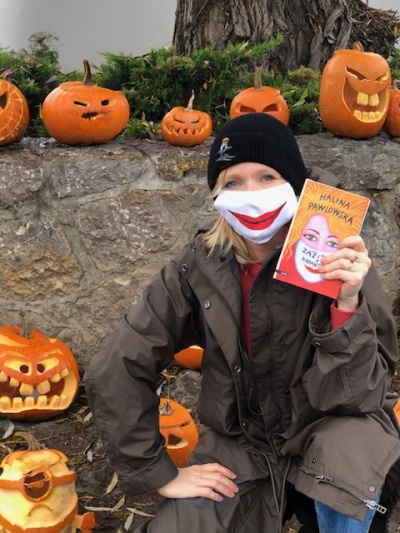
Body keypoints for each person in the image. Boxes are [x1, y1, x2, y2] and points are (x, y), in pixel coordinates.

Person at [84, 113, 400, 533]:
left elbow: (361, 396)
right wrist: (157, 472)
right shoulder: (198, 265)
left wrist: (346, 304)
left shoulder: (338, 255)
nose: (252, 194)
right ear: (217, 193)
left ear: (294, 184)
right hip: (243, 445)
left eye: (267, 177)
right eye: (233, 182)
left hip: (333, 430)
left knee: (350, 471)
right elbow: (117, 363)